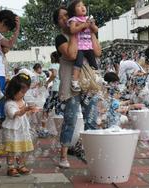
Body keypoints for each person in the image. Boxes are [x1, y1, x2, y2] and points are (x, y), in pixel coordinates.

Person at [53, 6, 101, 168]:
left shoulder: (86, 30)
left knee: (92, 119)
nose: (65, 18)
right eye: (61, 18)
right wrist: (76, 32)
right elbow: (72, 55)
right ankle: (63, 156)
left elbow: (98, 52)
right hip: (71, 82)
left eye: (67, 15)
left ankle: (92, 153)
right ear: (57, 23)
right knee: (70, 119)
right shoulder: (60, 38)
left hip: (88, 82)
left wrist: (91, 30)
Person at [0, 9, 20, 170]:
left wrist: (16, 30)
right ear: (3, 22)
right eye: (7, 28)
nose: (6, 31)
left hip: (0, 76)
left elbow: (9, 44)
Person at [2, 73, 39, 177]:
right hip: (12, 132)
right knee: (12, 150)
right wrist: (25, 109)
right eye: (22, 92)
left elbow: (24, 115)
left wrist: (31, 111)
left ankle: (21, 165)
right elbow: (16, 114)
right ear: (14, 90)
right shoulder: (9, 104)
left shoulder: (23, 101)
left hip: (22, 131)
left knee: (23, 149)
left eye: (25, 92)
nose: (23, 94)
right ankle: (11, 167)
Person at [67, 0, 99, 92]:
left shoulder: (88, 19)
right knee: (78, 64)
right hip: (80, 47)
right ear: (73, 11)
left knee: (93, 62)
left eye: (83, 5)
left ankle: (97, 77)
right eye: (79, 6)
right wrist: (84, 25)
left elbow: (96, 30)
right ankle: (75, 81)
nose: (82, 7)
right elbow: (72, 30)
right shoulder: (74, 20)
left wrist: (91, 25)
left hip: (89, 46)